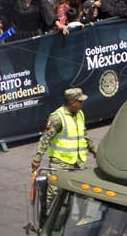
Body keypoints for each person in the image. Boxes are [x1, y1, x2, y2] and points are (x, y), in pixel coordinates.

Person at [31, 86, 97, 222]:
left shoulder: (80, 114)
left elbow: (83, 135)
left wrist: (93, 149)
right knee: (53, 191)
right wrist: (37, 159)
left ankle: (83, 218)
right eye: (80, 101)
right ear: (73, 102)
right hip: (60, 161)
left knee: (82, 189)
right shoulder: (57, 117)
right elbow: (45, 138)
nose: (82, 103)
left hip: (78, 161)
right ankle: (40, 221)